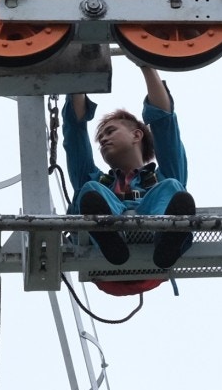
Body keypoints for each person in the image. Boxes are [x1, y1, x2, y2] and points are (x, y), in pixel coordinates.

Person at [63, 64, 195, 269]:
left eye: (110, 132)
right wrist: (81, 65)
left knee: (173, 186)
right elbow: (75, 133)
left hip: (156, 257)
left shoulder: (160, 180)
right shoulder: (96, 182)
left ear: (136, 135)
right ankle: (111, 237)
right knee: (89, 190)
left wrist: (146, 64)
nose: (103, 140)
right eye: (100, 138)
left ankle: (167, 239)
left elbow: (165, 123)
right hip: (109, 258)